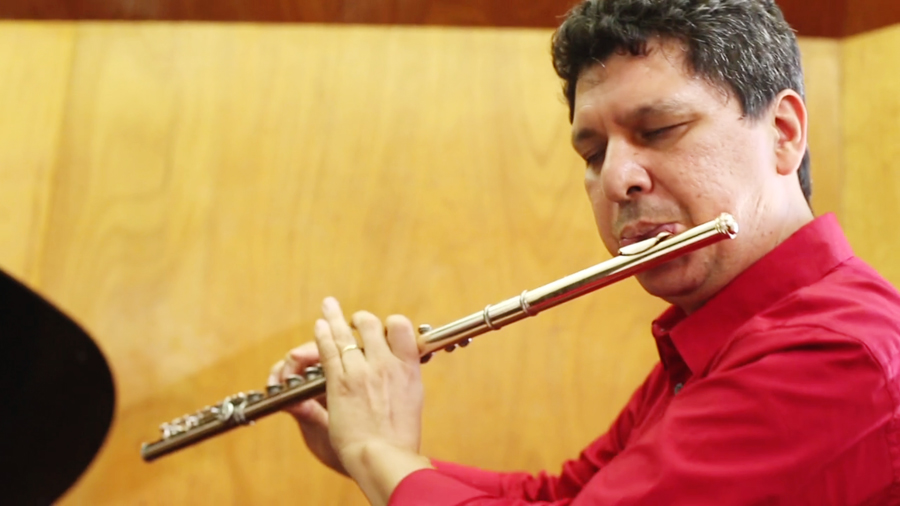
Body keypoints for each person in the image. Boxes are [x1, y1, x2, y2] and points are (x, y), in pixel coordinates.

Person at [269, 0, 900, 504]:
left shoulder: (833, 350)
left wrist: (378, 453)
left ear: (783, 134)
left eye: (658, 131)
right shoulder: (716, 330)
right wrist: (371, 448)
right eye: (593, 153)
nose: (617, 180)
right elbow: (569, 494)